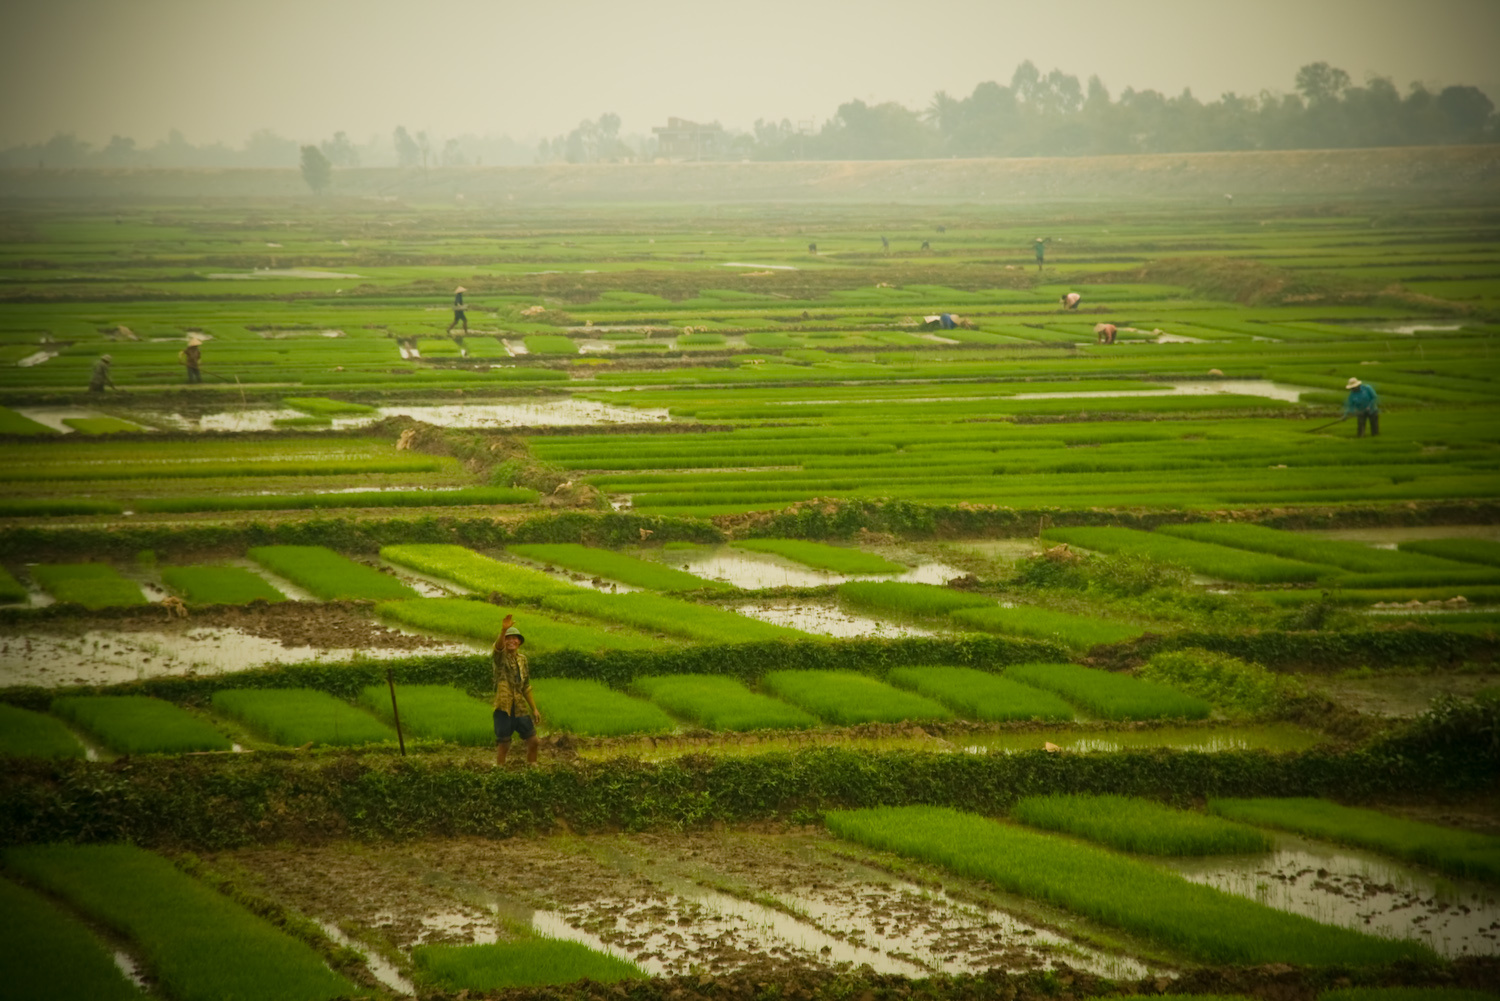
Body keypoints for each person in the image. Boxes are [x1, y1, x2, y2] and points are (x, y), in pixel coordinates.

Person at [492, 614, 542, 766]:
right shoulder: (500, 658)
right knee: (504, 744)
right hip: (504, 707)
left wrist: (534, 709)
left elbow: (526, 686)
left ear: (519, 642)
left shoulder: (523, 660)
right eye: (508, 638)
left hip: (519, 707)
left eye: (514, 638)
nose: (511, 641)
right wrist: (503, 630)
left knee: (534, 741)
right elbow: (498, 648)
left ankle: (532, 767)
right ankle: (500, 771)